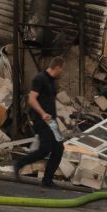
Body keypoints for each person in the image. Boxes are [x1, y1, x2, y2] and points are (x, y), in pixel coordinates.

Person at [13, 56, 66, 187]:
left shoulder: (53, 81)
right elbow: (32, 99)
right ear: (58, 67)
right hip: (41, 120)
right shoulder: (40, 78)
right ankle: (19, 163)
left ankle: (47, 180)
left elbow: (48, 100)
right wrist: (42, 113)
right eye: (62, 69)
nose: (62, 71)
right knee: (45, 149)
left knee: (59, 149)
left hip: (52, 121)